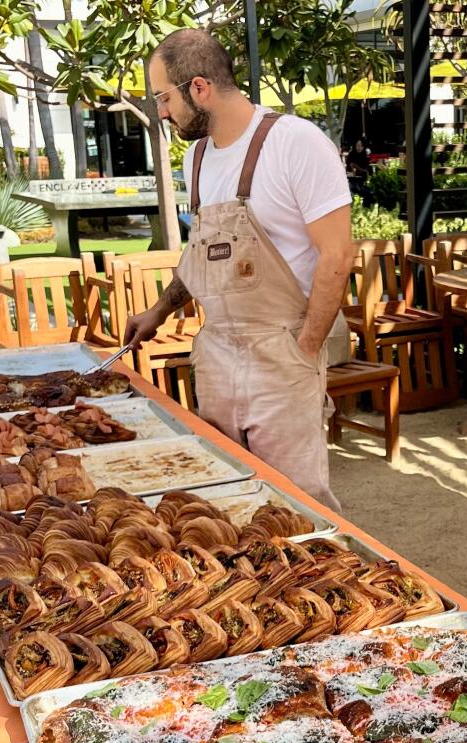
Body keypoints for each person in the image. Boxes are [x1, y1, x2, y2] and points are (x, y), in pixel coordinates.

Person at [125, 29, 352, 511]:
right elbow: (204, 255)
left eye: (164, 97)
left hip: (282, 353)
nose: (162, 111)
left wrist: (304, 347)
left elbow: (337, 256)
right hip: (217, 354)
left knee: (295, 506)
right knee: (228, 498)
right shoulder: (197, 157)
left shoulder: (295, 142)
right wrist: (159, 311)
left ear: (200, 88)